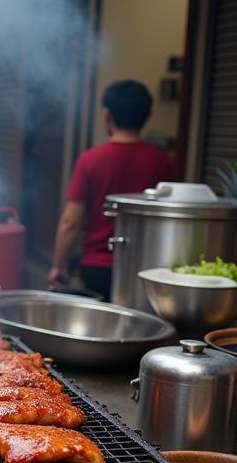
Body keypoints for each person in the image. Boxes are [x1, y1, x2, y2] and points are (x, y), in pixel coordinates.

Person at [49, 80, 177, 300]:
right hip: (146, 268)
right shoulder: (162, 162)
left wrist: (58, 266)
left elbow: (70, 221)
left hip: (97, 266)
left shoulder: (90, 160)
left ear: (106, 115)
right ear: (148, 115)